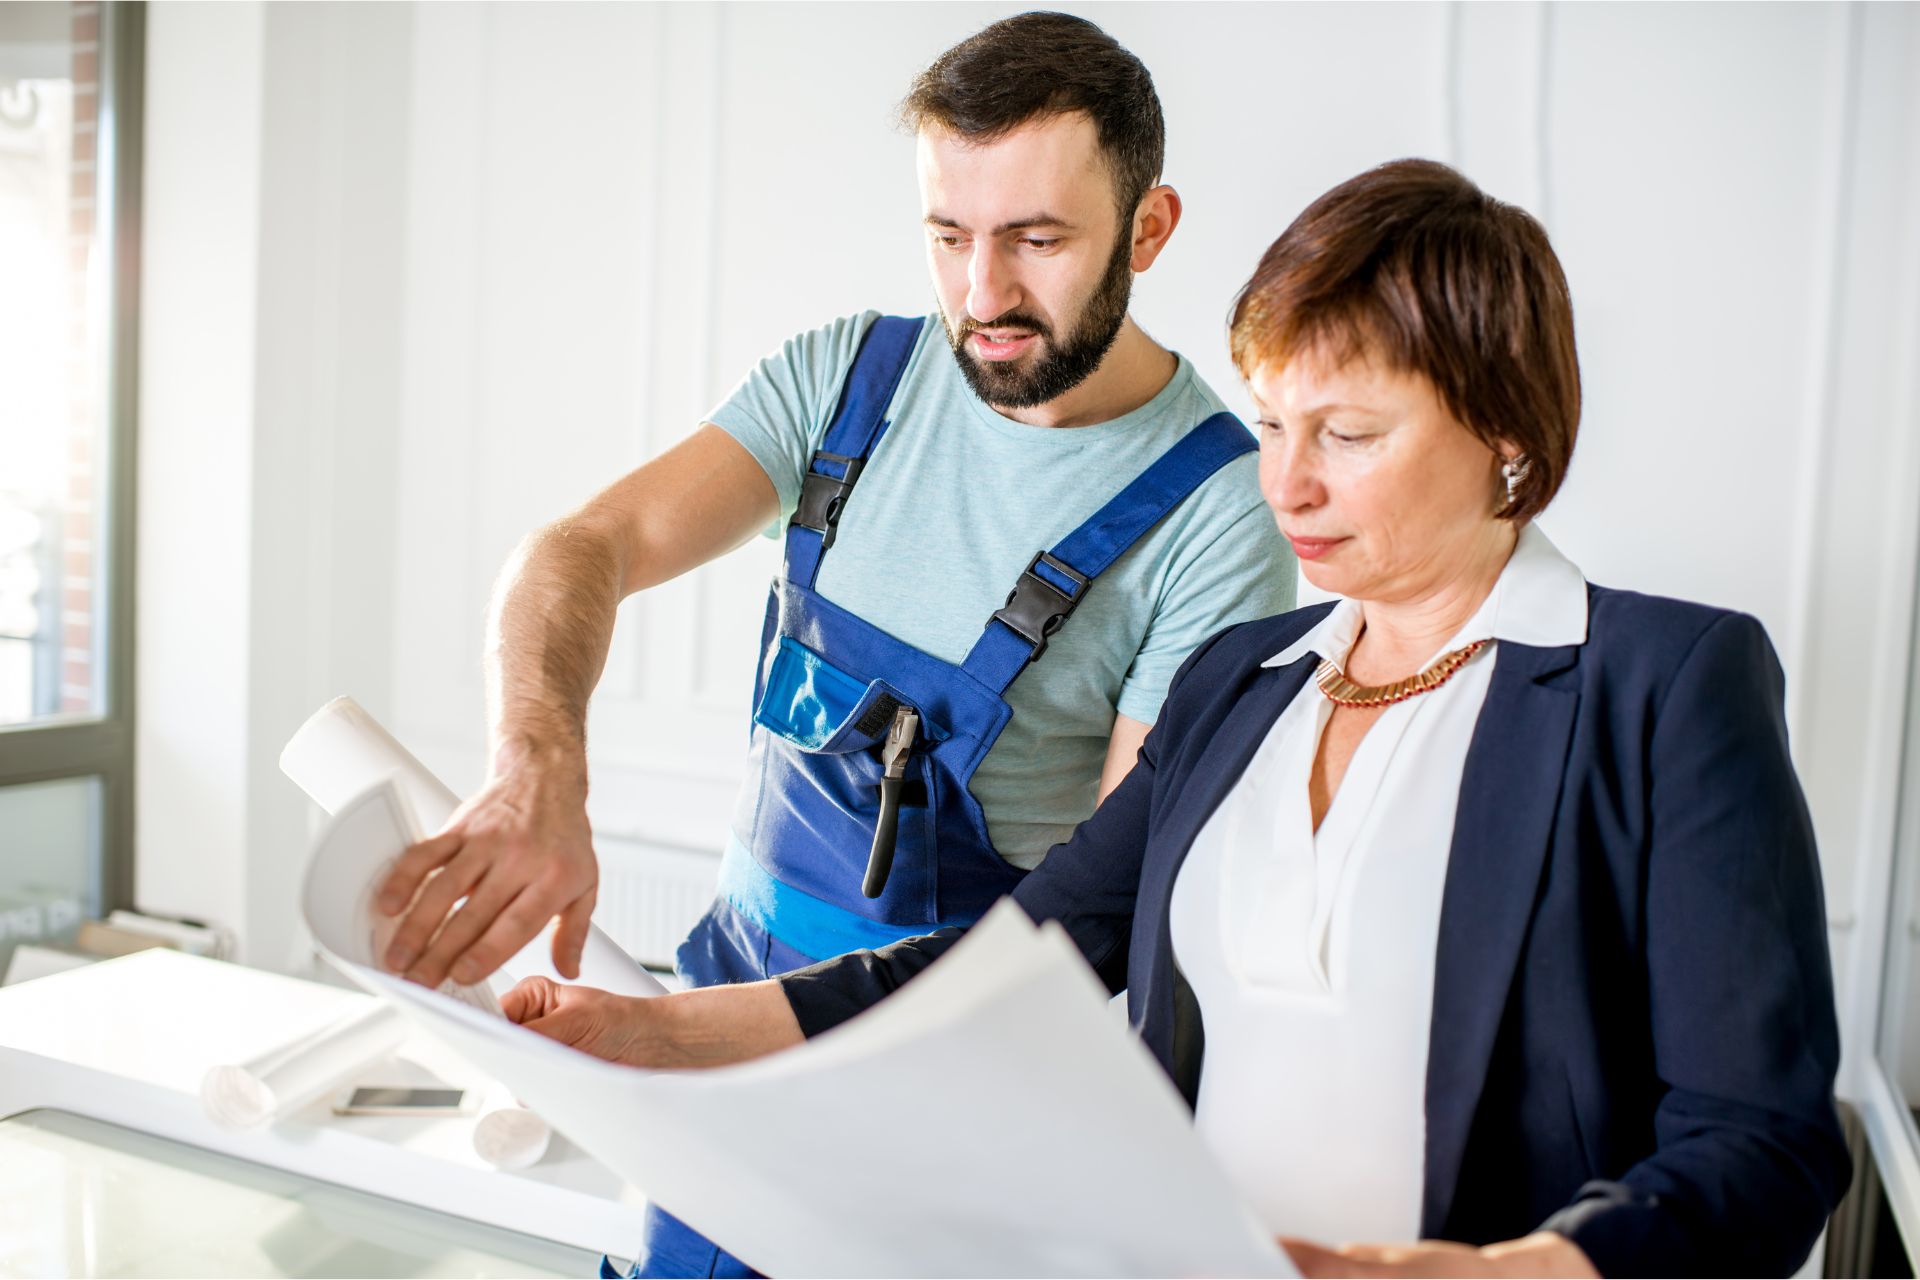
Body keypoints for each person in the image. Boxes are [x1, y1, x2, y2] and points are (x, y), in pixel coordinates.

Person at [502, 159, 1852, 1278]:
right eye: (1270, 424)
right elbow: (1008, 962)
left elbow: (1763, 1142)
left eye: (1349, 434)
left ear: (1507, 429)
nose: (1288, 484)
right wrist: (664, 1032)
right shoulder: (1241, 681)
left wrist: (1516, 1274)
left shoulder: (1664, 686)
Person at [373, 12, 1295, 1277]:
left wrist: (702, 1040)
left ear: (1149, 228)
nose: (985, 295)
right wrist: (539, 763)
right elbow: (577, 549)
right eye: (949, 235)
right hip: (709, 1044)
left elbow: (1096, 918)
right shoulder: (849, 380)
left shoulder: (1218, 516)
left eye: (1036, 239)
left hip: (937, 1111)